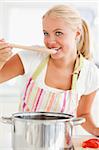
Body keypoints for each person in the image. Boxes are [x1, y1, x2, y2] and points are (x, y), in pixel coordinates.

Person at [0, 4, 99, 136]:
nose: (50, 41)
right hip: (26, 142)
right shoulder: (30, 58)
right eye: (46, 33)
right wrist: (1, 60)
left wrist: (96, 131)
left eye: (58, 33)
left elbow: (83, 114)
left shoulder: (90, 73)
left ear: (77, 33)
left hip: (63, 143)